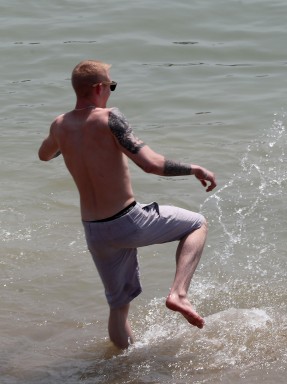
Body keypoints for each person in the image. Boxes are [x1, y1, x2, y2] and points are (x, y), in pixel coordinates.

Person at [38, 60, 217, 349]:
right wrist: (194, 168)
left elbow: (44, 155)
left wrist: (70, 142)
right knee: (197, 223)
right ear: (98, 88)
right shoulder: (110, 118)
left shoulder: (59, 125)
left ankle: (123, 368)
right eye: (111, 85)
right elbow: (152, 165)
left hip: (95, 232)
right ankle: (179, 293)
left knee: (118, 308)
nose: (111, 91)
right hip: (127, 221)